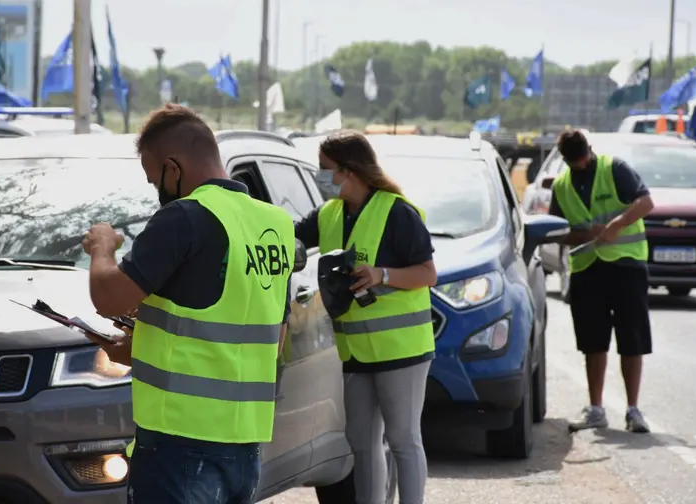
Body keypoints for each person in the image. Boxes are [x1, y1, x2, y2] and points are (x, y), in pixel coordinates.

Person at [81, 104, 294, 504]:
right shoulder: (275, 226)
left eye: (153, 179)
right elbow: (265, 339)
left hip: (179, 444)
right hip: (244, 446)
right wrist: (138, 350)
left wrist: (102, 248)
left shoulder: (184, 217)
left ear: (172, 168)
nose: (156, 190)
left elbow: (108, 298)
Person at [296, 130, 437, 504]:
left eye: (324, 169)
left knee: (404, 441)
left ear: (349, 170)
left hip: (401, 350)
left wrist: (382, 274)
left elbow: (427, 273)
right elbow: (290, 240)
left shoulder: (397, 212)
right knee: (362, 443)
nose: (319, 176)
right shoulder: (328, 215)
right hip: (355, 352)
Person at [549, 129, 654, 434]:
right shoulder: (562, 186)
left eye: (583, 160)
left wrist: (617, 224)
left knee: (631, 340)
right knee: (593, 343)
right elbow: (559, 233)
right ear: (565, 160)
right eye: (574, 162)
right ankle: (596, 409)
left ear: (590, 150)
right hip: (586, 270)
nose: (581, 166)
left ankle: (633, 410)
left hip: (626, 266)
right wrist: (590, 233)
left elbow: (646, 203)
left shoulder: (614, 169)